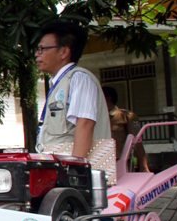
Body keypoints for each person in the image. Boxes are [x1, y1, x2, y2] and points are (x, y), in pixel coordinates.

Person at [34, 20, 112, 166]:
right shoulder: (59, 82)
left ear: (64, 52)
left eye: (42, 49)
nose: (37, 54)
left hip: (77, 176)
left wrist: (75, 169)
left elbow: (85, 124)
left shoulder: (79, 78)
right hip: (58, 167)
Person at [103, 85, 150, 172]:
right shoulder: (96, 117)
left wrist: (143, 165)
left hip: (120, 161)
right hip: (101, 160)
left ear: (107, 98)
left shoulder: (126, 115)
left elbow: (137, 141)